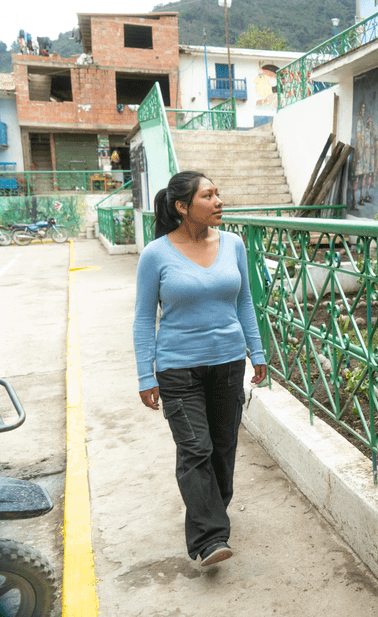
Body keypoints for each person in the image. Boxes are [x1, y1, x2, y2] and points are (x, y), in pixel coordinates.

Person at [133, 170, 267, 567]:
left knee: (223, 450)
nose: (218, 201)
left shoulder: (234, 244)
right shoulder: (155, 254)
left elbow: (244, 303)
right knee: (196, 449)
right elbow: (144, 319)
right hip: (178, 368)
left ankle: (212, 517)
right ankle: (210, 539)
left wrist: (256, 353)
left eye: (218, 193)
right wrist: (145, 373)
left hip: (227, 363)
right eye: (208, 195)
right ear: (181, 206)